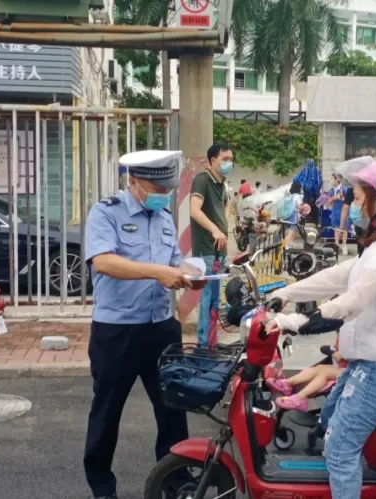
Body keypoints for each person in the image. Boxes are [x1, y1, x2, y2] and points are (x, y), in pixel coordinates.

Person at [266, 160, 376, 499]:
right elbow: (335, 277)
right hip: (369, 365)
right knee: (329, 419)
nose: (352, 208)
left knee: (339, 450)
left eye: (358, 198)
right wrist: (285, 293)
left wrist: (294, 321)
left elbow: (353, 301)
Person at [83, 150, 202, 499]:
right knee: (107, 412)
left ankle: (175, 481)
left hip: (161, 328)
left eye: (167, 188)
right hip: (117, 331)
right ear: (133, 181)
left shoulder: (163, 217)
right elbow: (103, 262)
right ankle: (102, 487)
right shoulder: (105, 213)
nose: (163, 194)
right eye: (157, 188)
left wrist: (194, 274)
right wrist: (158, 272)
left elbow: (174, 264)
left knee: (172, 410)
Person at [190, 144, 233, 346]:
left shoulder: (221, 184)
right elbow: (194, 210)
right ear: (213, 160)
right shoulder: (203, 180)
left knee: (215, 300)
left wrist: (222, 223)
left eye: (231, 159)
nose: (229, 163)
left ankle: (212, 342)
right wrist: (215, 229)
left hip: (219, 250)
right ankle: (203, 345)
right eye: (225, 159)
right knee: (207, 298)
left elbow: (227, 204)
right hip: (206, 248)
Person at [268, 337, 348, 410]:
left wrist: (337, 354)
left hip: (352, 372)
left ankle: (300, 398)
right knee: (319, 367)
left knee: (325, 373)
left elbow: (341, 358)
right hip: (344, 367)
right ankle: (288, 384)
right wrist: (333, 350)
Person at [328, 173, 350, 253]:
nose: (331, 180)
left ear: (337, 179)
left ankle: (344, 245)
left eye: (332, 178)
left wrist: (342, 198)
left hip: (343, 210)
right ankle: (336, 245)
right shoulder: (331, 190)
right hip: (335, 211)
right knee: (336, 228)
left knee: (344, 228)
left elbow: (348, 201)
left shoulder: (344, 189)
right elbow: (329, 202)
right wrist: (334, 197)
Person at [281, 181, 305, 248]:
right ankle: (284, 246)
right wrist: (304, 208)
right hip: (293, 215)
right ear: (298, 188)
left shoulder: (290, 195)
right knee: (292, 231)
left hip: (287, 214)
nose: (302, 189)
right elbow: (300, 206)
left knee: (289, 231)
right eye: (301, 187)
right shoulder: (297, 196)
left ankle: (284, 245)